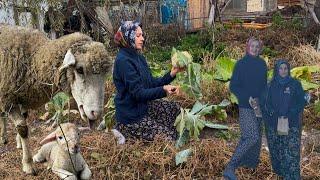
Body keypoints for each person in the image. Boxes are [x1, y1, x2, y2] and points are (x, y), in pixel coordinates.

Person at [113, 21, 183, 141]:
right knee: (170, 138)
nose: (142, 39)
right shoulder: (123, 61)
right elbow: (139, 94)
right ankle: (124, 131)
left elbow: (150, 83)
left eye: (142, 35)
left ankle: (155, 126)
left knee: (175, 109)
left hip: (143, 107)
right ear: (128, 37)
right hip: (131, 116)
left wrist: (172, 74)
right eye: (138, 36)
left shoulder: (138, 57)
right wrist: (163, 90)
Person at [223, 37, 267, 179]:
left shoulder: (262, 64)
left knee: (257, 137)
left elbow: (264, 86)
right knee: (251, 136)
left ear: (260, 48)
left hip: (259, 105)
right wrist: (246, 97)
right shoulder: (240, 65)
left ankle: (250, 163)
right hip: (245, 106)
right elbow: (233, 86)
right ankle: (231, 167)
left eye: (257, 46)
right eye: (252, 46)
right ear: (247, 47)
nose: (255, 49)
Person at [261, 60, 306, 180]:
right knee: (278, 152)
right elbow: (265, 103)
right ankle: (281, 175)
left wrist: (291, 113)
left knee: (291, 153)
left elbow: (301, 101)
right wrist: (272, 113)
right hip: (275, 124)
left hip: (291, 124)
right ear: (277, 70)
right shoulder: (270, 85)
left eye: (285, 68)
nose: (283, 71)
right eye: (281, 68)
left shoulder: (295, 84)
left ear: (288, 69)